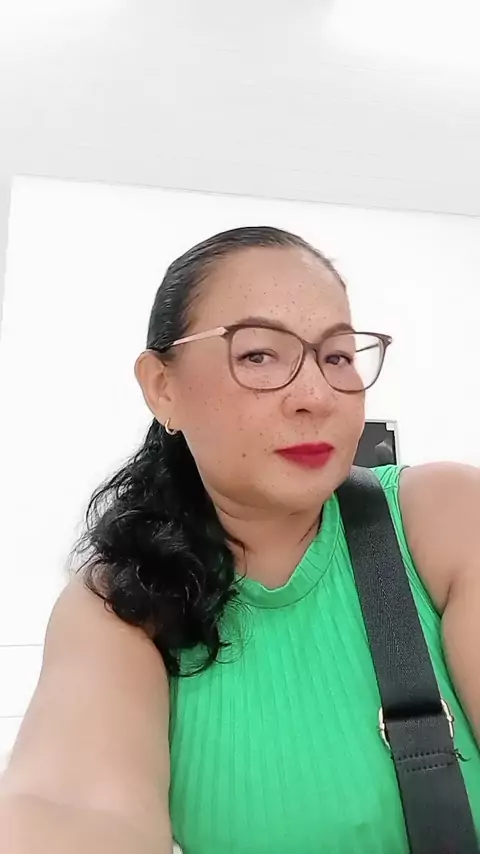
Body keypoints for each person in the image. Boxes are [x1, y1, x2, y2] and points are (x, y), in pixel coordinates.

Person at [0, 225, 479, 854]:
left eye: (337, 357)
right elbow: (70, 806)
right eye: (258, 355)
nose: (317, 396)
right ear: (162, 387)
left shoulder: (444, 515)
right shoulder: (121, 603)